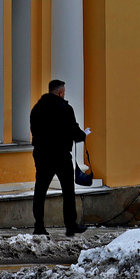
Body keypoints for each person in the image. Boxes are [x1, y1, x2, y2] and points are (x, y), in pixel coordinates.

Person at [30, 79, 89, 236]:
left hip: (42, 155)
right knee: (68, 191)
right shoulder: (65, 108)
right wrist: (83, 135)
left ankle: (39, 226)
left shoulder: (36, 109)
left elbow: (34, 131)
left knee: (40, 190)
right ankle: (70, 226)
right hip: (61, 156)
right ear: (61, 92)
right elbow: (75, 133)